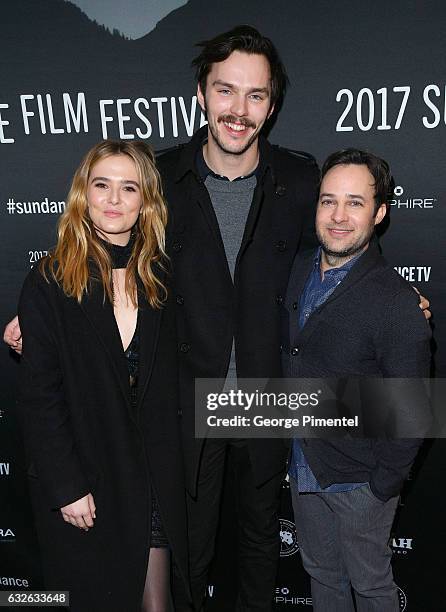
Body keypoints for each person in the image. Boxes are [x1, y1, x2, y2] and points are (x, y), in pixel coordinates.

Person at [4, 26, 431, 612]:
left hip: (266, 399)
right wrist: (42, 316)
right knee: (185, 550)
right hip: (181, 401)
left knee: (259, 550)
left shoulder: (301, 181)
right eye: (226, 91)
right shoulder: (158, 179)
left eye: (255, 95)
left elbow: (345, 236)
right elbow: (107, 258)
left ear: (271, 106)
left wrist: (399, 298)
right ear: (201, 95)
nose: (239, 109)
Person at [16, 140, 188, 612]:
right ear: (83, 195)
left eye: (128, 188)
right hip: (85, 476)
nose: (114, 200)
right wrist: (66, 484)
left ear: (146, 201)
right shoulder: (50, 281)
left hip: (151, 477)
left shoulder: (162, 279)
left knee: (157, 604)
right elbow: (39, 397)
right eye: (102, 185)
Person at [282, 148, 431, 611]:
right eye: (328, 201)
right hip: (304, 464)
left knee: (371, 587)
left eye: (355, 202)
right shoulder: (295, 269)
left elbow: (412, 411)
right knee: (323, 579)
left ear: (380, 212)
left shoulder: (396, 302)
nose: (338, 216)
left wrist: (381, 486)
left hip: (361, 483)